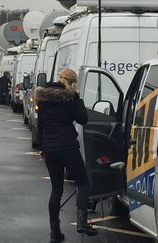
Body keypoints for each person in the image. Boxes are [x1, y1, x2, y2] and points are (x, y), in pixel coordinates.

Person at [34, 68, 98, 242]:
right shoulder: (71, 98)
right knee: (83, 183)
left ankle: (55, 233)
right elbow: (83, 119)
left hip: (50, 149)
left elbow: (41, 124)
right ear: (71, 83)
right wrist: (78, 98)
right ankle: (81, 222)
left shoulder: (44, 97)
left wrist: (40, 146)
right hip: (68, 147)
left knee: (56, 190)